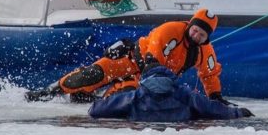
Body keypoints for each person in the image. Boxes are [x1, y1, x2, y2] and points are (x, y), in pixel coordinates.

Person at [25, 8, 230, 104]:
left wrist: (215, 96)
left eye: (202, 34)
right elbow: (155, 50)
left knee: (123, 95)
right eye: (195, 30)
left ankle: (91, 99)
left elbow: (209, 74)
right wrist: (152, 67)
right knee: (91, 75)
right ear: (190, 24)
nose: (196, 35)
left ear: (206, 37)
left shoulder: (206, 52)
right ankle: (48, 91)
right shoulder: (171, 30)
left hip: (146, 79)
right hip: (131, 60)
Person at [88, 65, 253, 122]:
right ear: (169, 77)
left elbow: (95, 111)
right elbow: (211, 109)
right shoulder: (184, 94)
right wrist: (239, 112)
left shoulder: (135, 96)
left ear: (145, 78)